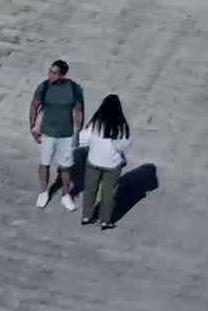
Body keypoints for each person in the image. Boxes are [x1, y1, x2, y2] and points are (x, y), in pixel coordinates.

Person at [28, 58, 84, 210]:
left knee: (66, 167)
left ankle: (66, 195)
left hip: (66, 134)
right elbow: (34, 106)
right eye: (49, 71)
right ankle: (43, 192)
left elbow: (79, 111)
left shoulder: (74, 89)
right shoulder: (44, 86)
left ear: (62, 75)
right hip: (47, 132)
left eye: (54, 73)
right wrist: (32, 127)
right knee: (44, 163)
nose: (50, 75)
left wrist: (77, 132)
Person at [78, 95, 131, 229]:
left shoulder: (95, 123)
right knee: (108, 194)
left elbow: (83, 139)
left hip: (94, 161)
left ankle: (87, 216)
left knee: (90, 189)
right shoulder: (122, 127)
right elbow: (123, 146)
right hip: (112, 165)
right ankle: (105, 220)